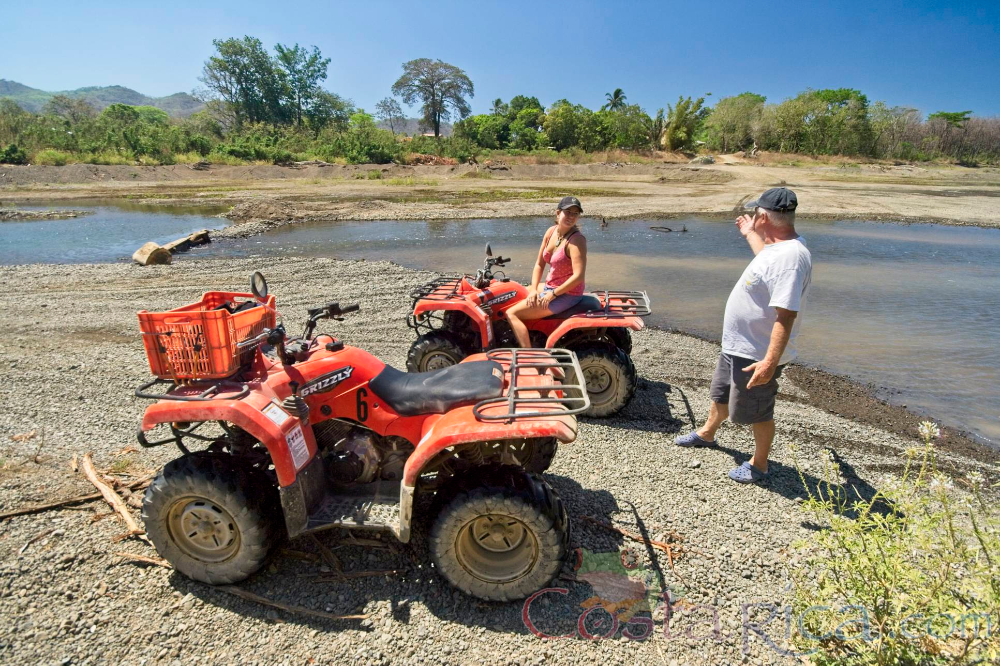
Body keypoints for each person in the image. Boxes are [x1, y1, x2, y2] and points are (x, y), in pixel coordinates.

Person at [675, 188, 812, 484]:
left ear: (764, 216)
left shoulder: (791, 258)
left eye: (755, 215)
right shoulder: (778, 248)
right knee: (721, 392)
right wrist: (750, 233)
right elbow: (764, 259)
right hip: (738, 345)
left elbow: (786, 315)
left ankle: (760, 464)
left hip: (757, 354)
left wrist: (769, 363)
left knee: (757, 411)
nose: (752, 217)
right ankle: (707, 433)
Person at [506, 196, 588, 348]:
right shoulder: (551, 232)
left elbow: (578, 277)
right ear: (558, 213)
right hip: (551, 286)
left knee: (512, 313)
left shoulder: (577, 240)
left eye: (575, 213)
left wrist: (552, 294)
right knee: (514, 294)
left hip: (567, 293)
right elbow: (539, 264)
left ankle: (529, 356)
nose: (571, 216)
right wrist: (534, 289)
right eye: (568, 212)